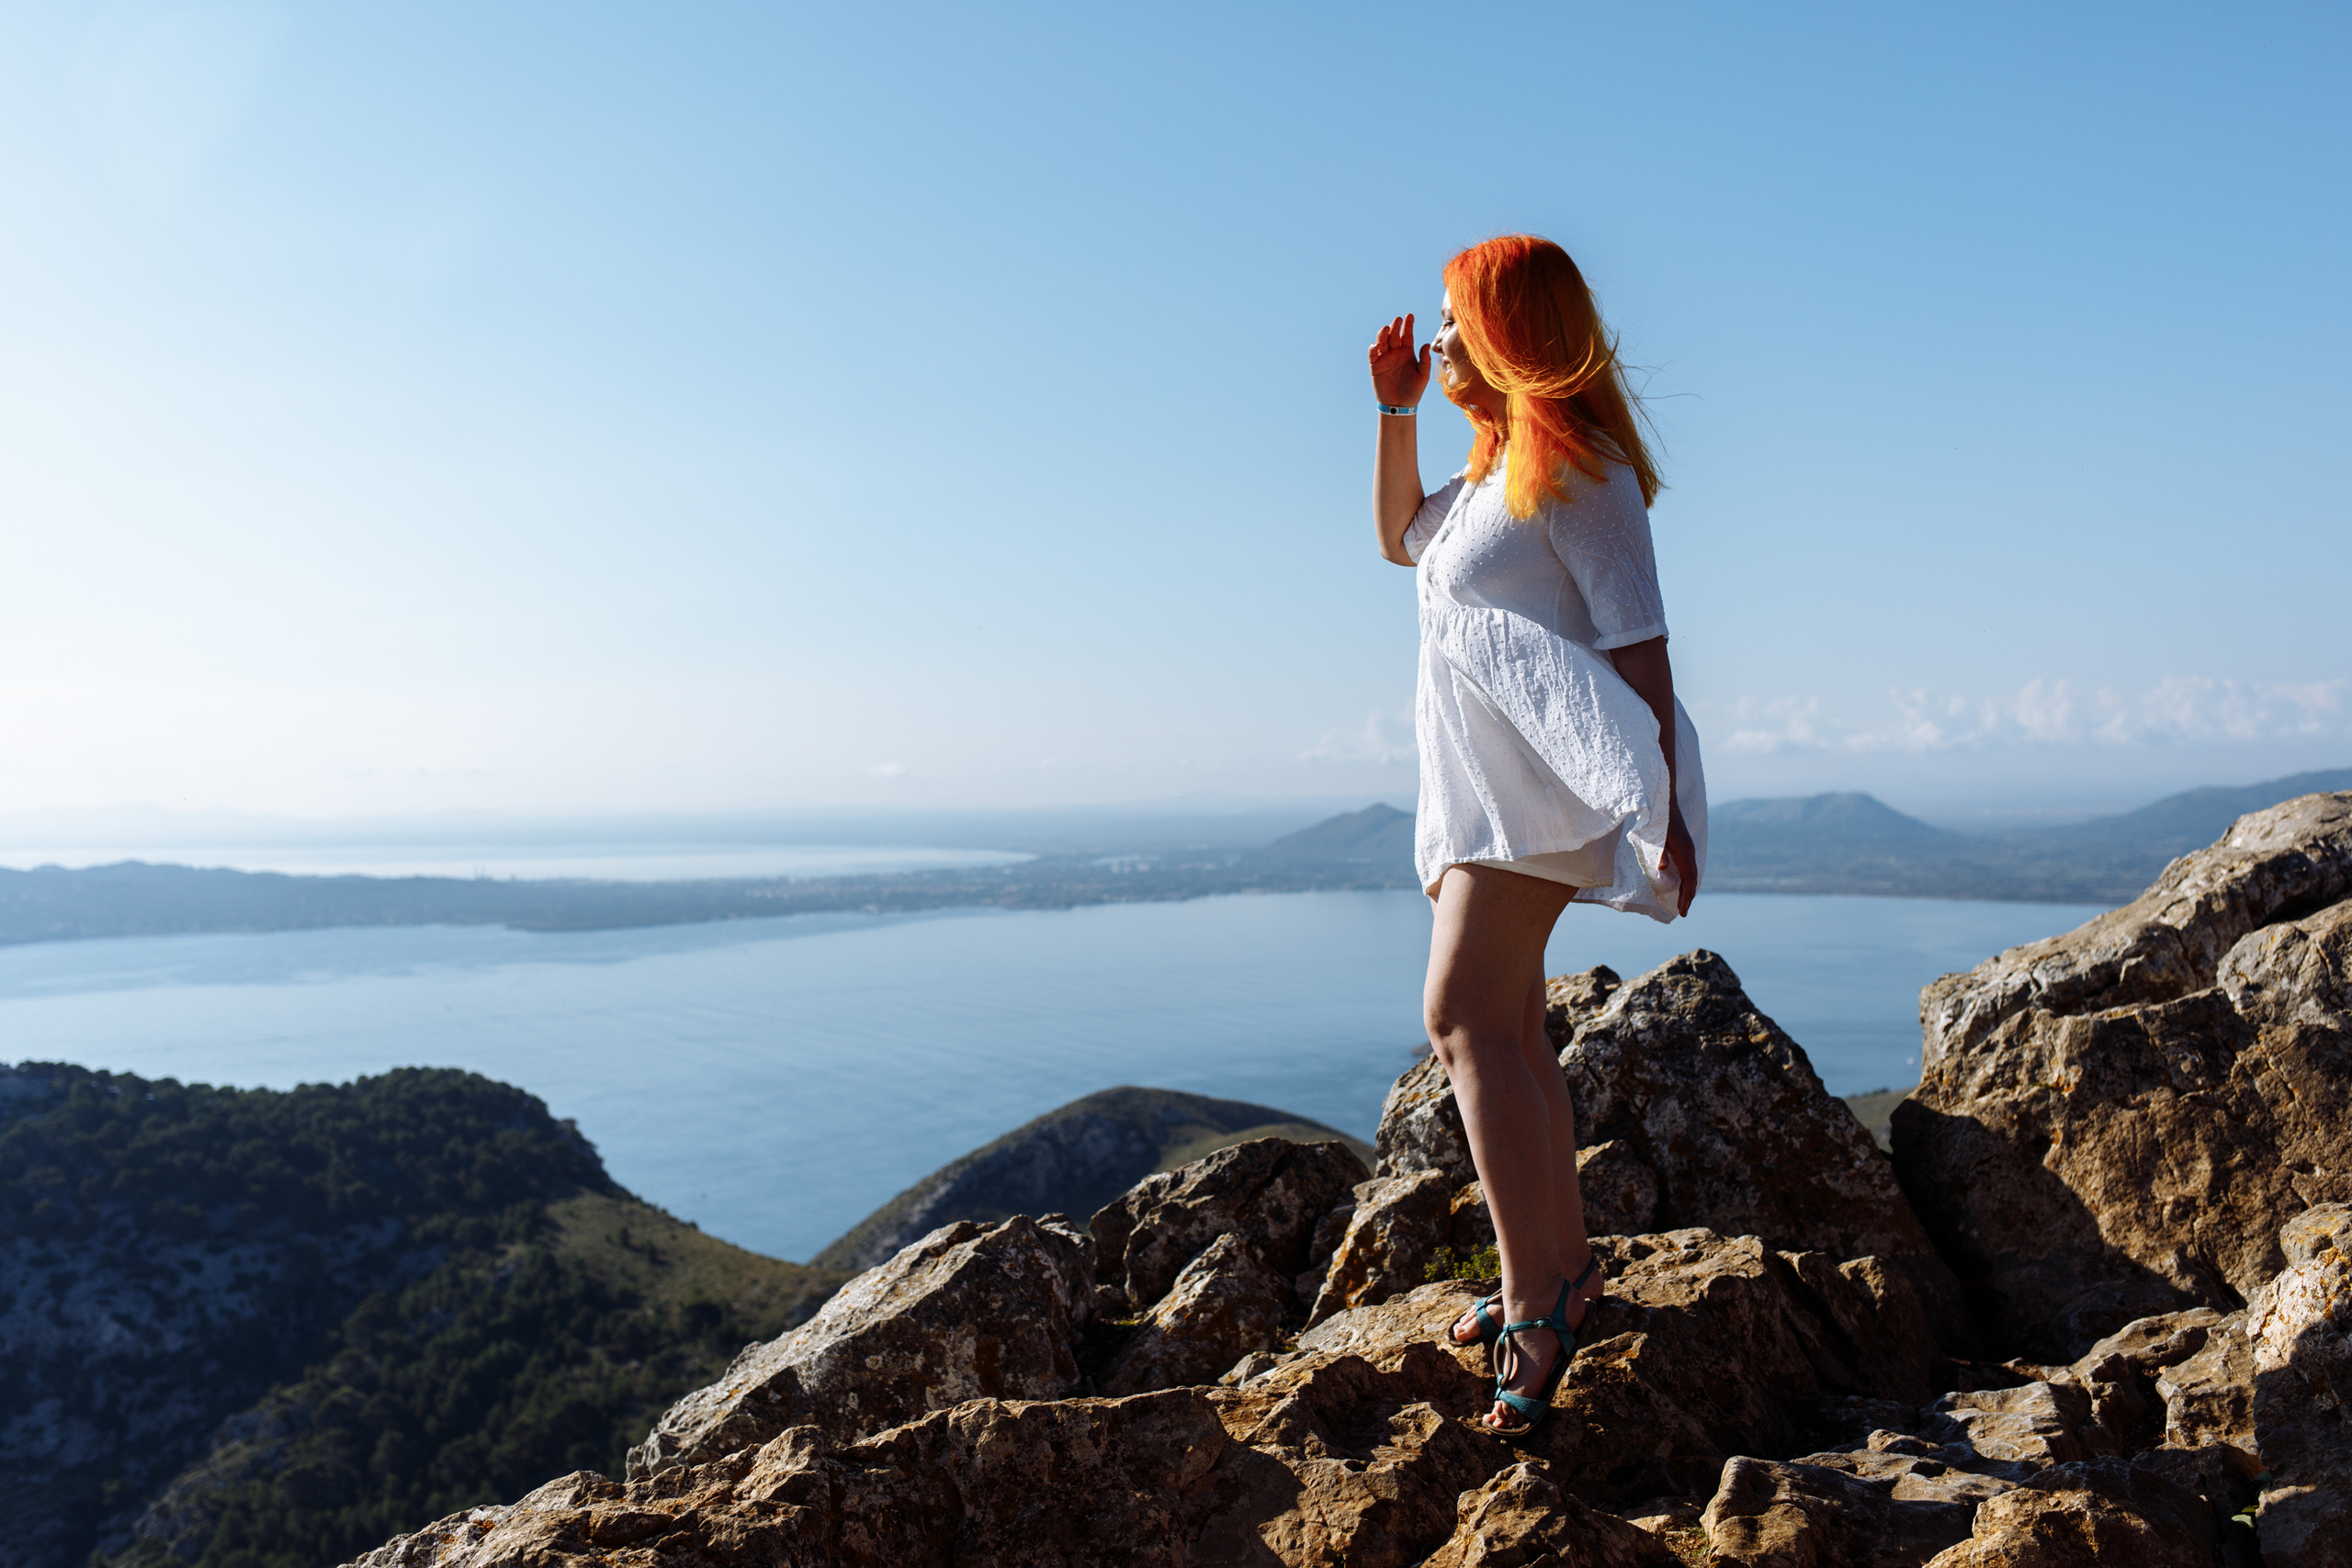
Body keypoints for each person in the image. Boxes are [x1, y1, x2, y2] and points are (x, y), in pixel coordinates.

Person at [1366, 234, 1707, 1438]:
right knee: (1509, 1025)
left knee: (1458, 1017)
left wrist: (1660, 799)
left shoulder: (1582, 466)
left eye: (1456, 322)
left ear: (1510, 328)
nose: (1441, 339)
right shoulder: (1490, 474)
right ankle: (1561, 1268)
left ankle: (1536, 1301)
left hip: (1545, 793)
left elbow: (1641, 639)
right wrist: (1396, 412)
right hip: (1485, 794)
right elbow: (1398, 533)